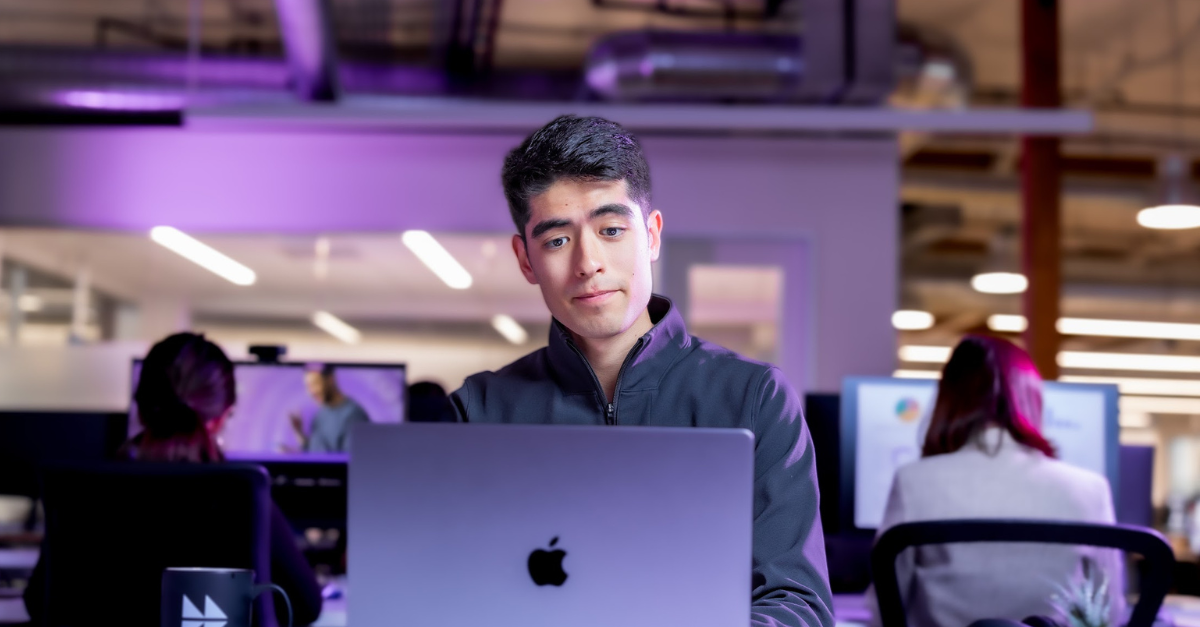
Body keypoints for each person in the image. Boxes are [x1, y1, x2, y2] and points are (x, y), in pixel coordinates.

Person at [450, 115, 834, 627]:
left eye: (611, 230)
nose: (589, 263)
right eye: (557, 240)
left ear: (651, 236)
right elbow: (445, 590)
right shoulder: (479, 411)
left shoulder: (754, 399)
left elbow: (797, 602)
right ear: (525, 259)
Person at [24, 332, 324, 625]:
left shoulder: (83, 489)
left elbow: (39, 602)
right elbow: (306, 606)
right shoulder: (240, 491)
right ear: (222, 416)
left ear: (139, 409)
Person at [865, 335, 1124, 627]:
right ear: (1033, 398)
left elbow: (883, 609)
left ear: (947, 399)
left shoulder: (912, 481)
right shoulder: (1091, 489)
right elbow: (1110, 614)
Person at [290, 365, 370, 453]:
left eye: (315, 384)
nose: (311, 392)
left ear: (330, 380)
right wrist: (299, 434)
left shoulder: (354, 416)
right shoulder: (320, 414)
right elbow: (315, 452)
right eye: (308, 386)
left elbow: (350, 461)